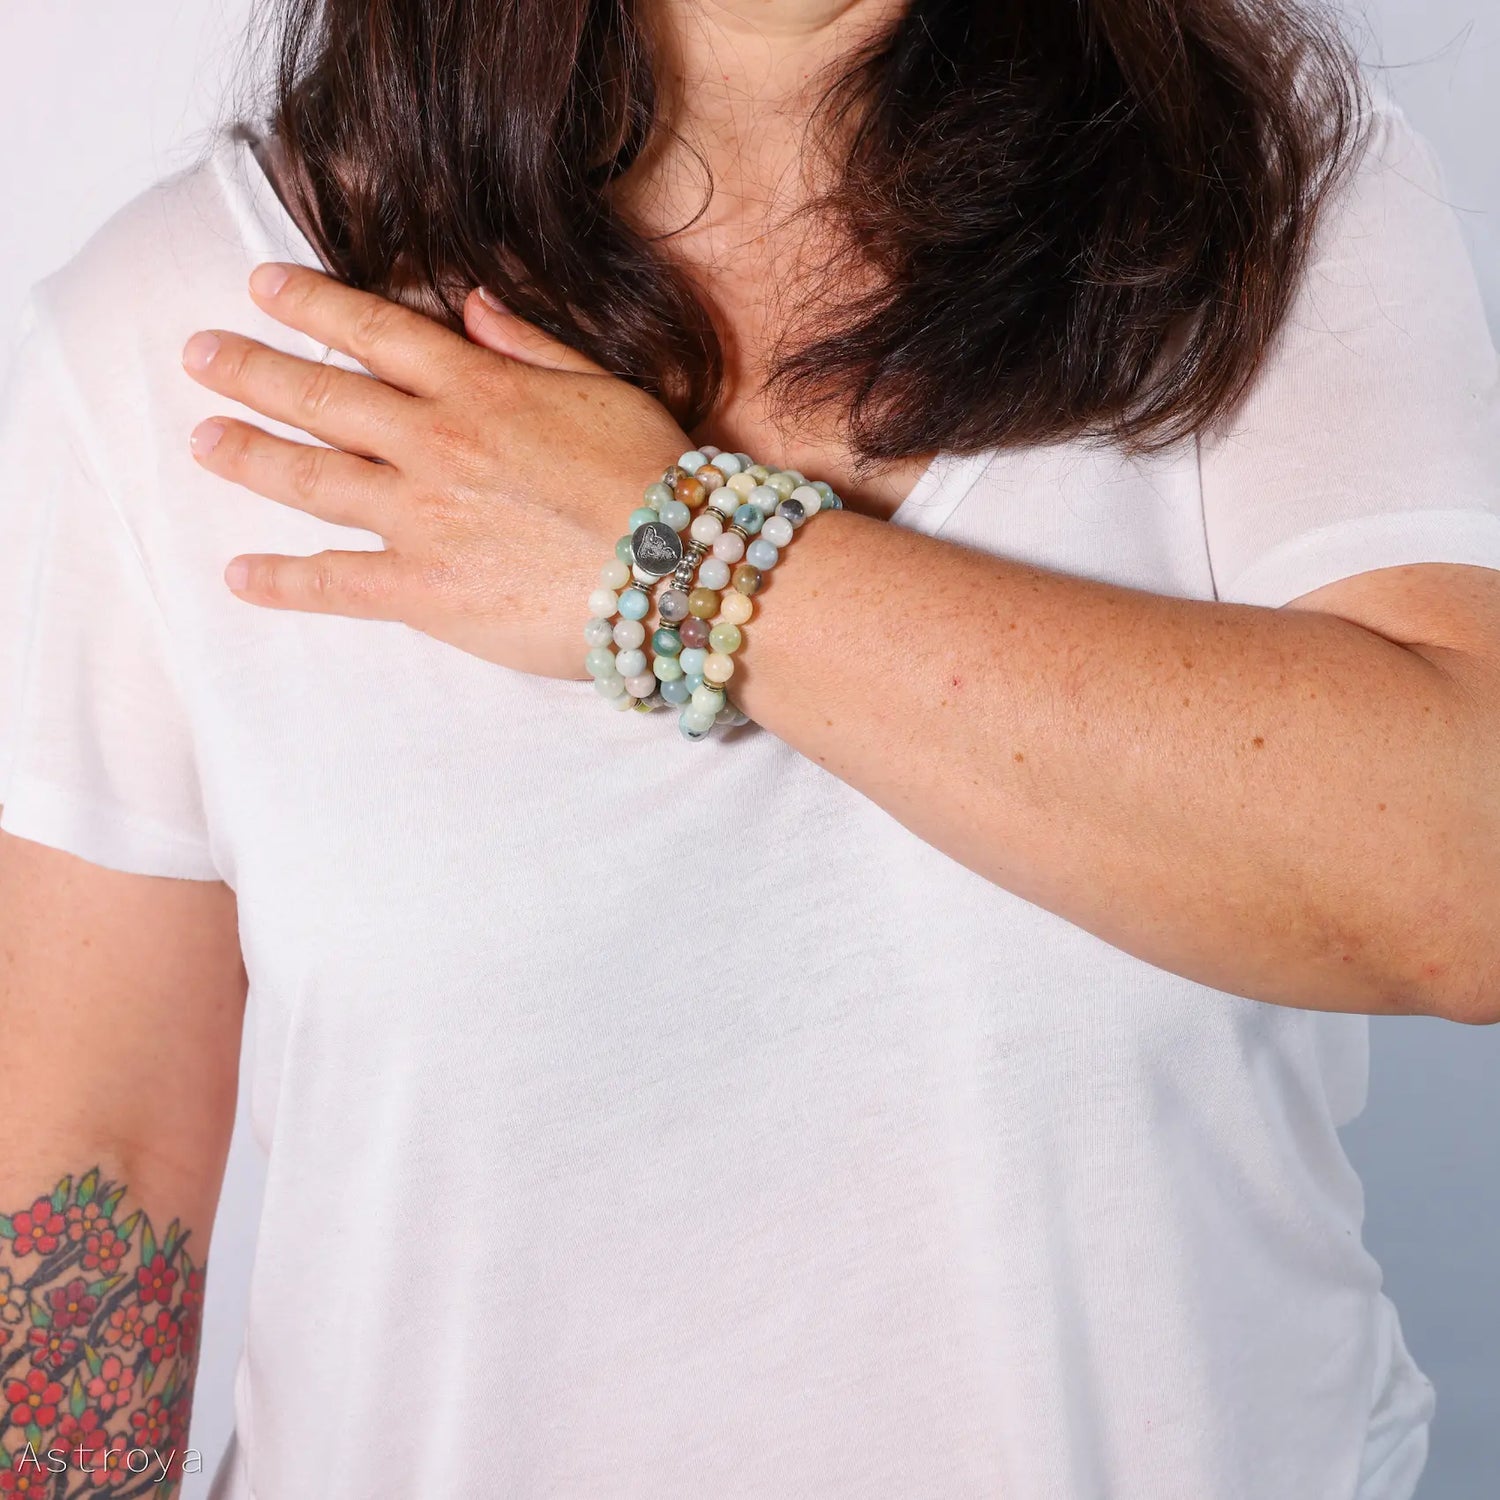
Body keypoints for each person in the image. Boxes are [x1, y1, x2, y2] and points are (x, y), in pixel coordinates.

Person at [2, 0, 1498, 1495]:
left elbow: (1469, 878)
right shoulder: (190, 338)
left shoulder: (1261, 195)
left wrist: (678, 556)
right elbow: (86, 1175)